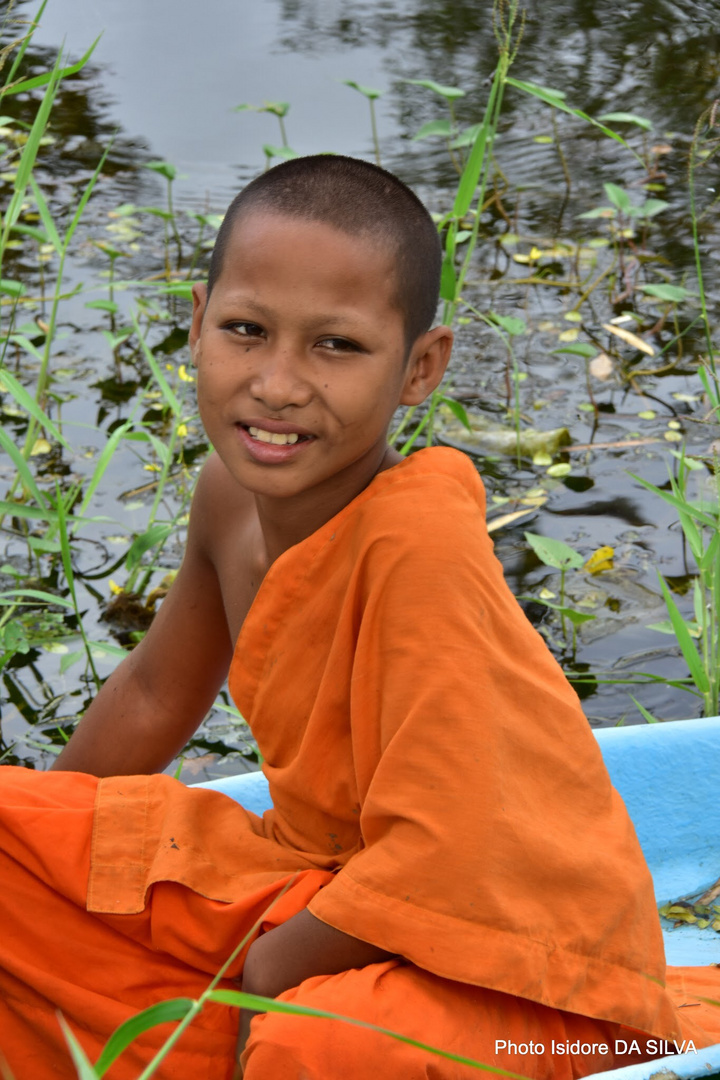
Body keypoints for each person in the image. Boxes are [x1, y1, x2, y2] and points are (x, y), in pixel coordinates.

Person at [1, 155, 719, 1080]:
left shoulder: (416, 545)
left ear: (421, 366)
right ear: (196, 323)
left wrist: (270, 971)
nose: (278, 384)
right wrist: (55, 866)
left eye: (335, 346)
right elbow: (150, 691)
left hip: (525, 967)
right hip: (327, 883)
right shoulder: (227, 495)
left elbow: (448, 853)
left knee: (318, 1040)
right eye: (247, 330)